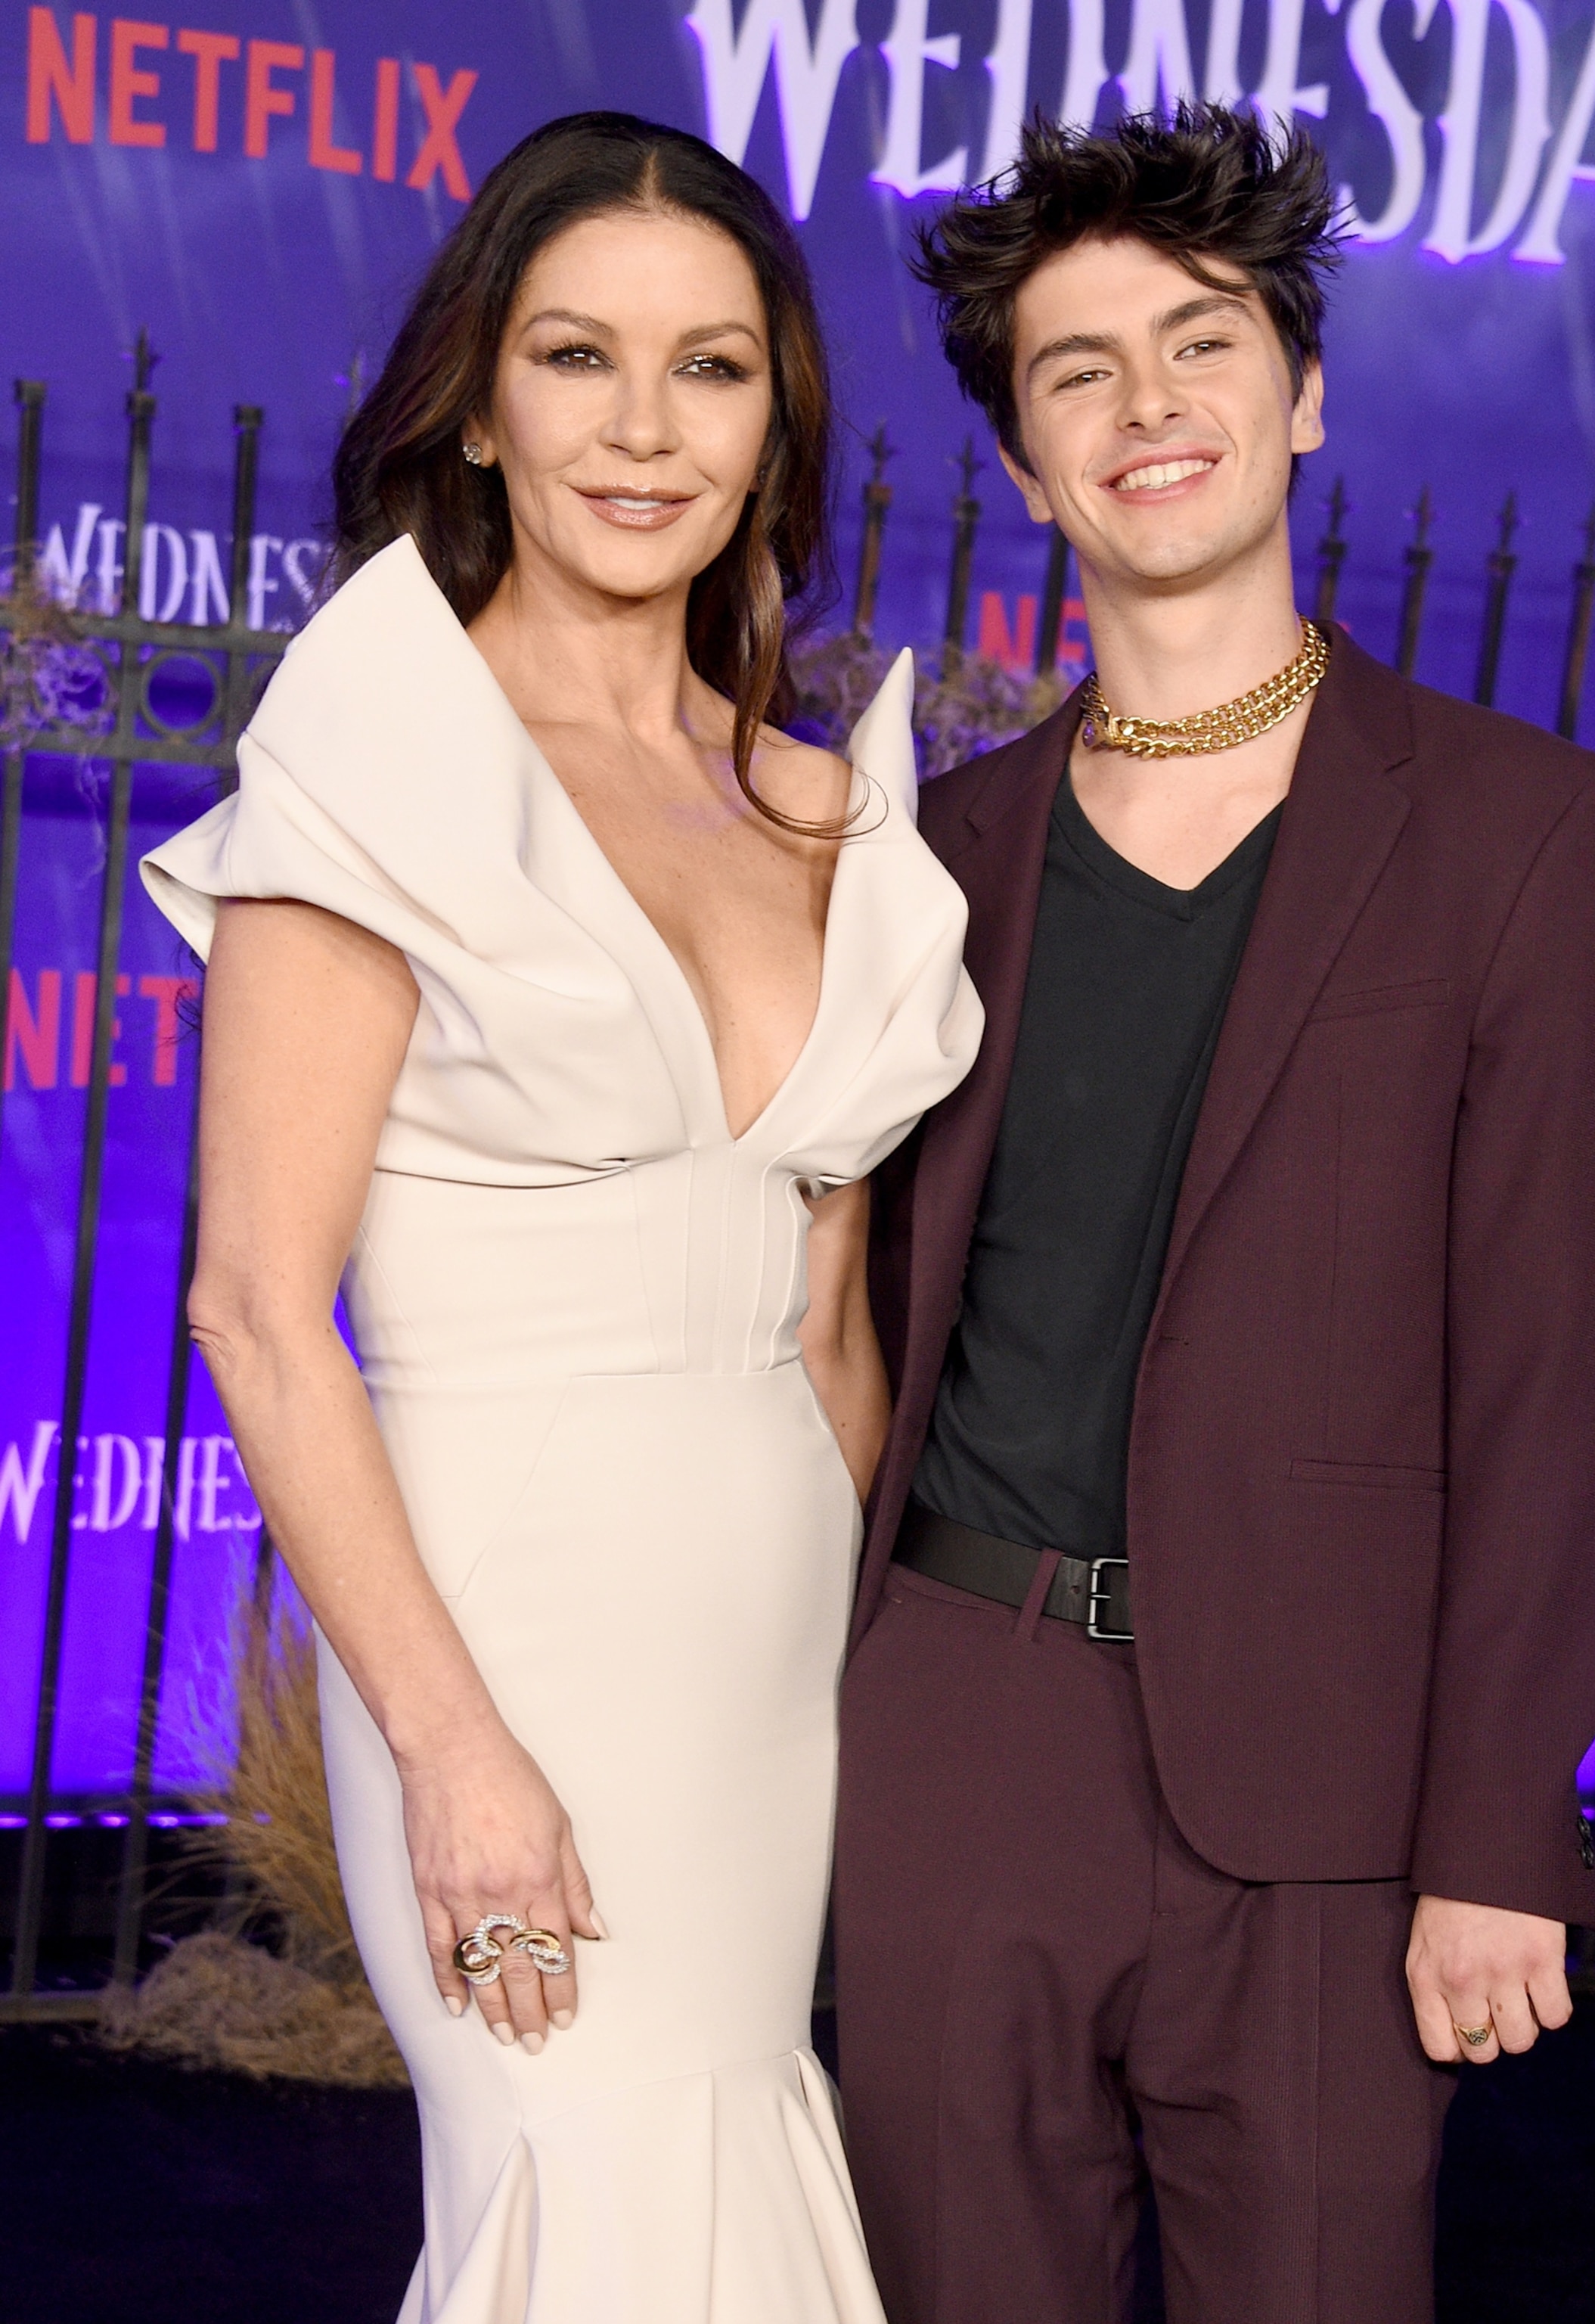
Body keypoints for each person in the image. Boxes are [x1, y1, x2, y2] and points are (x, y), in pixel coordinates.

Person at [142, 112, 980, 2324]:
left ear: (774, 418)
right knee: (583, 2196)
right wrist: (451, 1751)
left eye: (709, 367)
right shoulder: (388, 760)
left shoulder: (808, 804)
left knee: (730, 2169)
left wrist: (893, 1680)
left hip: (773, 1628)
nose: (641, 427)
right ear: (480, 402)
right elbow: (254, 1310)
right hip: (511, 1621)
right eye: (575, 354)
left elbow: (828, 1324)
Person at [833, 104, 1595, 2324]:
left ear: (1301, 395)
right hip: (956, 1738)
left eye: (1197, 345)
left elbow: (1562, 1380)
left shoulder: (1520, 833)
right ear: (1022, 464)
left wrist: (1499, 1835)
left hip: (1333, 1784)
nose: (1145, 406)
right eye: (1075, 369)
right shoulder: (934, 856)